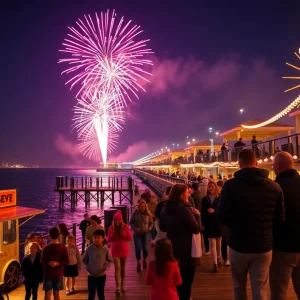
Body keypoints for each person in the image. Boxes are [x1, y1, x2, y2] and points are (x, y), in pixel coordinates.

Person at [217, 149, 285, 300]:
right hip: (263, 245)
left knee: (239, 286)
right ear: (256, 162)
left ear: (239, 164)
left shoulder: (230, 186)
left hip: (238, 244)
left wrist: (233, 226)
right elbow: (280, 219)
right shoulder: (274, 187)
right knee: (260, 288)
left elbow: (221, 215)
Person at [160, 184, 201, 300]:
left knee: (174, 276)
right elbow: (196, 229)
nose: (189, 194)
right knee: (187, 279)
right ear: (182, 195)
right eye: (187, 192)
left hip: (170, 246)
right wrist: (197, 216)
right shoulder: (184, 209)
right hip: (185, 248)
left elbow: (162, 227)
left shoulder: (165, 206)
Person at [270, 152, 300, 299]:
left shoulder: (276, 187)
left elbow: (272, 217)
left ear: (279, 166)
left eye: (273, 165)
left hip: (283, 247)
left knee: (279, 291)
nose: (272, 168)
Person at [82, 229, 113, 300]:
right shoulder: (89, 248)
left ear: (103, 238)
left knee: (101, 294)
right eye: (95, 237)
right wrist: (87, 266)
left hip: (101, 275)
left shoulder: (106, 249)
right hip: (91, 275)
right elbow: (84, 259)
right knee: (91, 294)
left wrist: (105, 267)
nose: (96, 239)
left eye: (98, 237)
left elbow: (111, 261)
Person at [107, 210, 132, 294]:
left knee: (123, 267)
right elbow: (108, 239)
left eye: (119, 220)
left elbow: (130, 238)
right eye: (116, 220)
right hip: (114, 249)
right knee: (117, 267)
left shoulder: (125, 227)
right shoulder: (111, 228)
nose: (117, 222)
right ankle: (117, 286)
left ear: (121, 220)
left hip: (124, 249)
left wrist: (124, 235)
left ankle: (122, 284)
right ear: (113, 220)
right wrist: (111, 236)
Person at [41, 227, 69, 300]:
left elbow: (42, 261)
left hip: (48, 274)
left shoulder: (46, 248)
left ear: (49, 236)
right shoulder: (63, 247)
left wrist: (48, 263)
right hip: (58, 273)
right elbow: (66, 261)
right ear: (58, 235)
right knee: (56, 294)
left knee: (47, 294)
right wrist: (58, 263)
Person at [201, 181, 224, 272]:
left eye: (212, 186)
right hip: (209, 224)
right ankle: (215, 263)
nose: (210, 188)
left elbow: (222, 210)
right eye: (209, 187)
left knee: (219, 243)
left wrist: (214, 211)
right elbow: (202, 211)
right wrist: (202, 223)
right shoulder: (205, 199)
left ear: (215, 187)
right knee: (212, 244)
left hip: (218, 224)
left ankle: (218, 258)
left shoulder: (220, 198)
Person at [130, 200, 153, 272]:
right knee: (138, 248)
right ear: (139, 206)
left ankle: (144, 259)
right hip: (137, 234)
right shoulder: (135, 213)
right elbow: (131, 222)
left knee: (145, 249)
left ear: (145, 206)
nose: (142, 207)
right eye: (141, 206)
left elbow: (151, 223)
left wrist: (149, 229)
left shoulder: (148, 214)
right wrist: (134, 228)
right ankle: (138, 262)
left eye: (143, 206)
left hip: (145, 233)